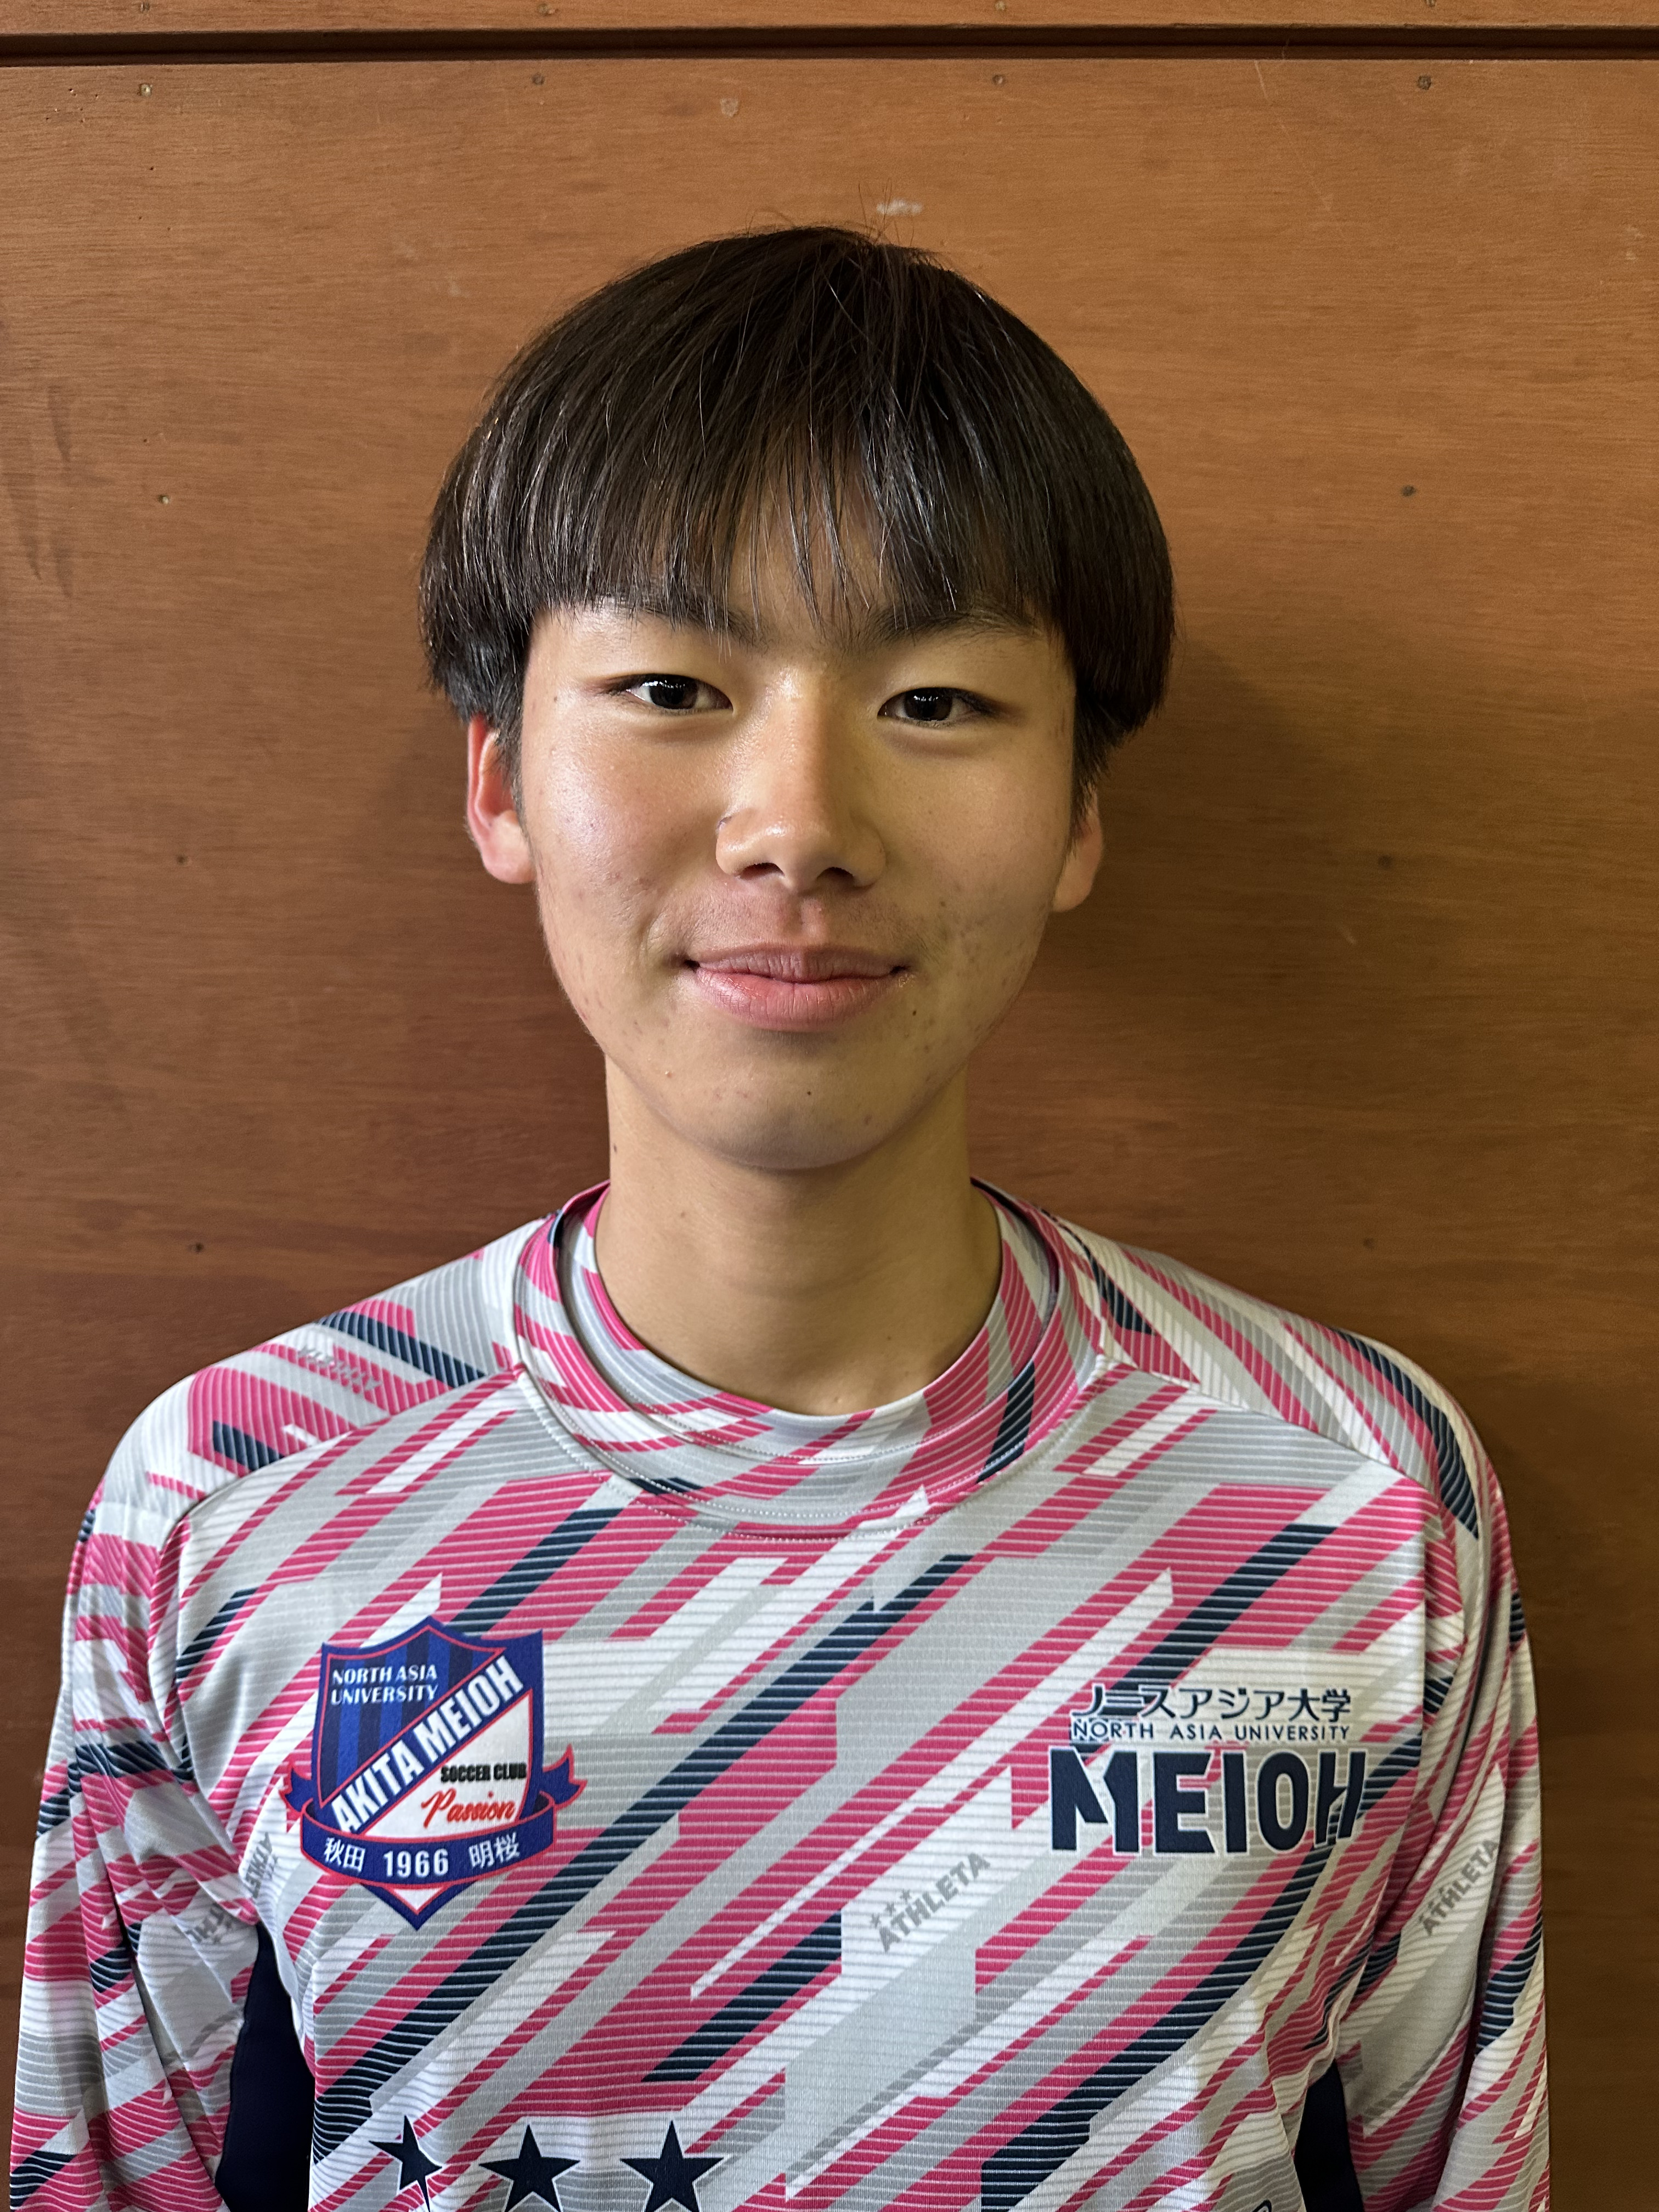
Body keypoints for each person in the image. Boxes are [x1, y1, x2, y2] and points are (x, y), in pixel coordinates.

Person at [12, 227, 1545, 2212]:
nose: (799, 824)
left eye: (937, 700)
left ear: (1080, 812)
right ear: (500, 782)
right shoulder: (232, 1500)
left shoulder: (1355, 1496)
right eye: (671, 685)